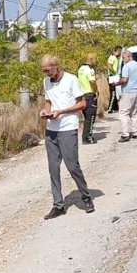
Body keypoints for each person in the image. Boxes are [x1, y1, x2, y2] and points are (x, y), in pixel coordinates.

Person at [40, 55, 94, 219]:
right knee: (53, 168)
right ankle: (58, 204)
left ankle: (86, 197)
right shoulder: (46, 82)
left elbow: (82, 104)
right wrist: (45, 111)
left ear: (56, 66)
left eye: (48, 70)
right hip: (51, 129)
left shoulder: (71, 79)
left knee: (72, 166)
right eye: (44, 71)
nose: (47, 74)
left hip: (68, 128)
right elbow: (48, 101)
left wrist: (62, 111)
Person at [117, 48, 137, 142]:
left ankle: (125, 134)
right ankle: (136, 132)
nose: (123, 60)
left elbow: (125, 80)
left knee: (124, 113)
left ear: (129, 56)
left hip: (128, 92)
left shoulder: (126, 67)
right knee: (134, 113)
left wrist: (116, 83)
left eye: (124, 58)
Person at [77, 54, 98, 145]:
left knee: (86, 117)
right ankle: (87, 137)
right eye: (95, 59)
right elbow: (92, 81)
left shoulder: (80, 68)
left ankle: (85, 136)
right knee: (91, 117)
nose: (96, 61)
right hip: (89, 95)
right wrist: (97, 90)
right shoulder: (90, 69)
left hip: (82, 95)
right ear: (91, 59)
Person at [106, 46, 122, 113]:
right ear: (118, 50)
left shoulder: (115, 57)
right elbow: (109, 66)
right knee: (113, 93)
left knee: (116, 92)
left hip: (114, 76)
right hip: (113, 76)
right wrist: (115, 73)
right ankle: (110, 108)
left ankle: (113, 107)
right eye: (120, 51)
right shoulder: (112, 57)